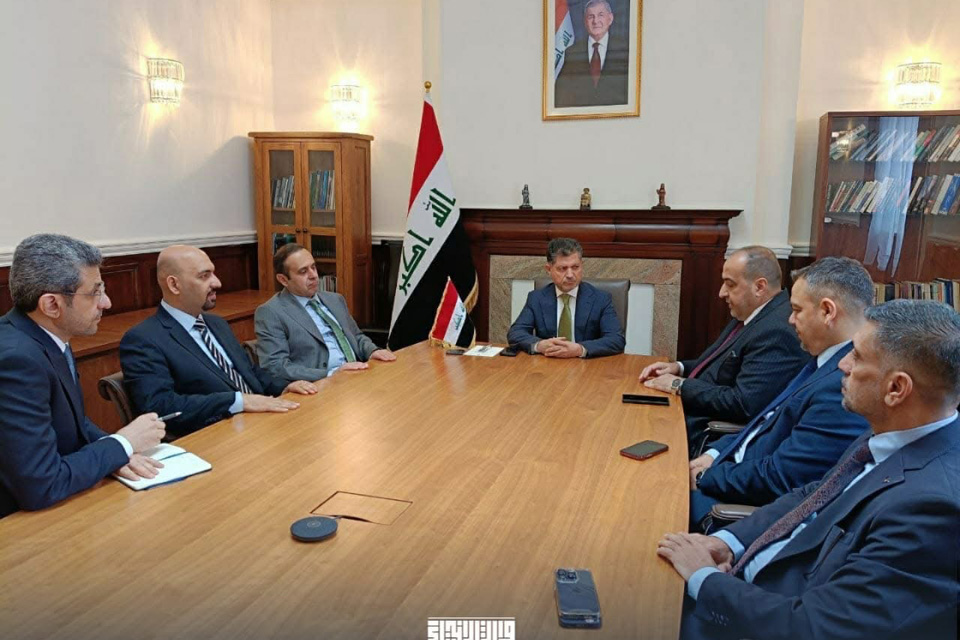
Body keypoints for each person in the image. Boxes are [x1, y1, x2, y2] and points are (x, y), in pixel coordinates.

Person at [658, 299, 960, 640]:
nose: (842, 364)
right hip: (744, 583)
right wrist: (727, 542)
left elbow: (813, 627)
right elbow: (814, 494)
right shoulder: (895, 430)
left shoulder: (932, 512)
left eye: (857, 356)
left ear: (896, 389)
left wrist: (705, 579)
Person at [688, 257, 872, 528]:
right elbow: (763, 424)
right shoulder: (822, 360)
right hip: (729, 471)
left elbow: (781, 478)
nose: (790, 319)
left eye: (797, 310)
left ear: (827, 311)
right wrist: (713, 455)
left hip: (738, 506)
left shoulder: (844, 385)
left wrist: (705, 477)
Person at [0, 234, 166, 517]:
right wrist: (123, 443)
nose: (107, 303)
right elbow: (41, 485)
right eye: (94, 293)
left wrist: (115, 452)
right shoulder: (16, 361)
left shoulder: (45, 336)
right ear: (52, 305)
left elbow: (71, 422)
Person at [119, 245, 317, 438]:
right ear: (174, 285)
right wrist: (238, 401)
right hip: (216, 437)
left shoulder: (216, 323)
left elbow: (250, 373)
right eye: (204, 276)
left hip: (261, 425)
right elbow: (161, 407)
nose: (217, 283)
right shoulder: (144, 339)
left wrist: (284, 387)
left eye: (213, 273)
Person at [639, 246, 808, 441]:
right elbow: (718, 366)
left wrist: (679, 385)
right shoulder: (752, 313)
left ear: (759, 287)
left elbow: (742, 404)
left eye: (730, 284)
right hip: (688, 412)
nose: (721, 293)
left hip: (704, 431)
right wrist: (679, 367)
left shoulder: (778, 331)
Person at [254, 244, 395, 383]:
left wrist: (373, 351)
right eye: (303, 271)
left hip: (359, 373)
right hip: (322, 385)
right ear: (283, 280)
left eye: (313, 267)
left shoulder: (335, 299)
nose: (313, 275)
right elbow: (276, 366)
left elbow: (356, 336)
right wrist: (332, 374)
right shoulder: (271, 312)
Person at [507, 237, 625, 358]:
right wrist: (539, 345)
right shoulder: (536, 298)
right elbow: (516, 333)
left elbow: (616, 340)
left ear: (582, 265)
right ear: (549, 269)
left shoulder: (600, 299)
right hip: (548, 362)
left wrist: (580, 349)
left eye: (575, 267)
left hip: (587, 364)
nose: (570, 275)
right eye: (562, 268)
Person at [555, 0, 629, 108]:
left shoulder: (625, 49)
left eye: (601, 15)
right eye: (591, 16)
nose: (595, 21)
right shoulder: (572, 52)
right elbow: (561, 91)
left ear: (610, 18)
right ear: (585, 21)